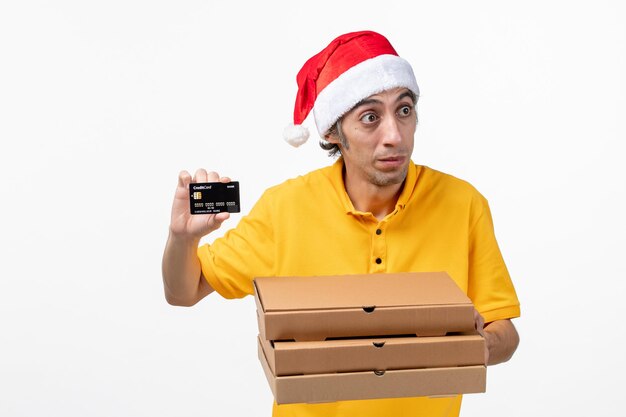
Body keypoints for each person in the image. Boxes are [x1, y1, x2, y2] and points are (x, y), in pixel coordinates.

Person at [162, 30, 520, 417]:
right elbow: (185, 291)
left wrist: (478, 347)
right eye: (370, 118)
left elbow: (505, 331)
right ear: (333, 131)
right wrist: (181, 239)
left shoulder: (463, 203)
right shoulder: (285, 208)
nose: (394, 136)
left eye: (404, 110)